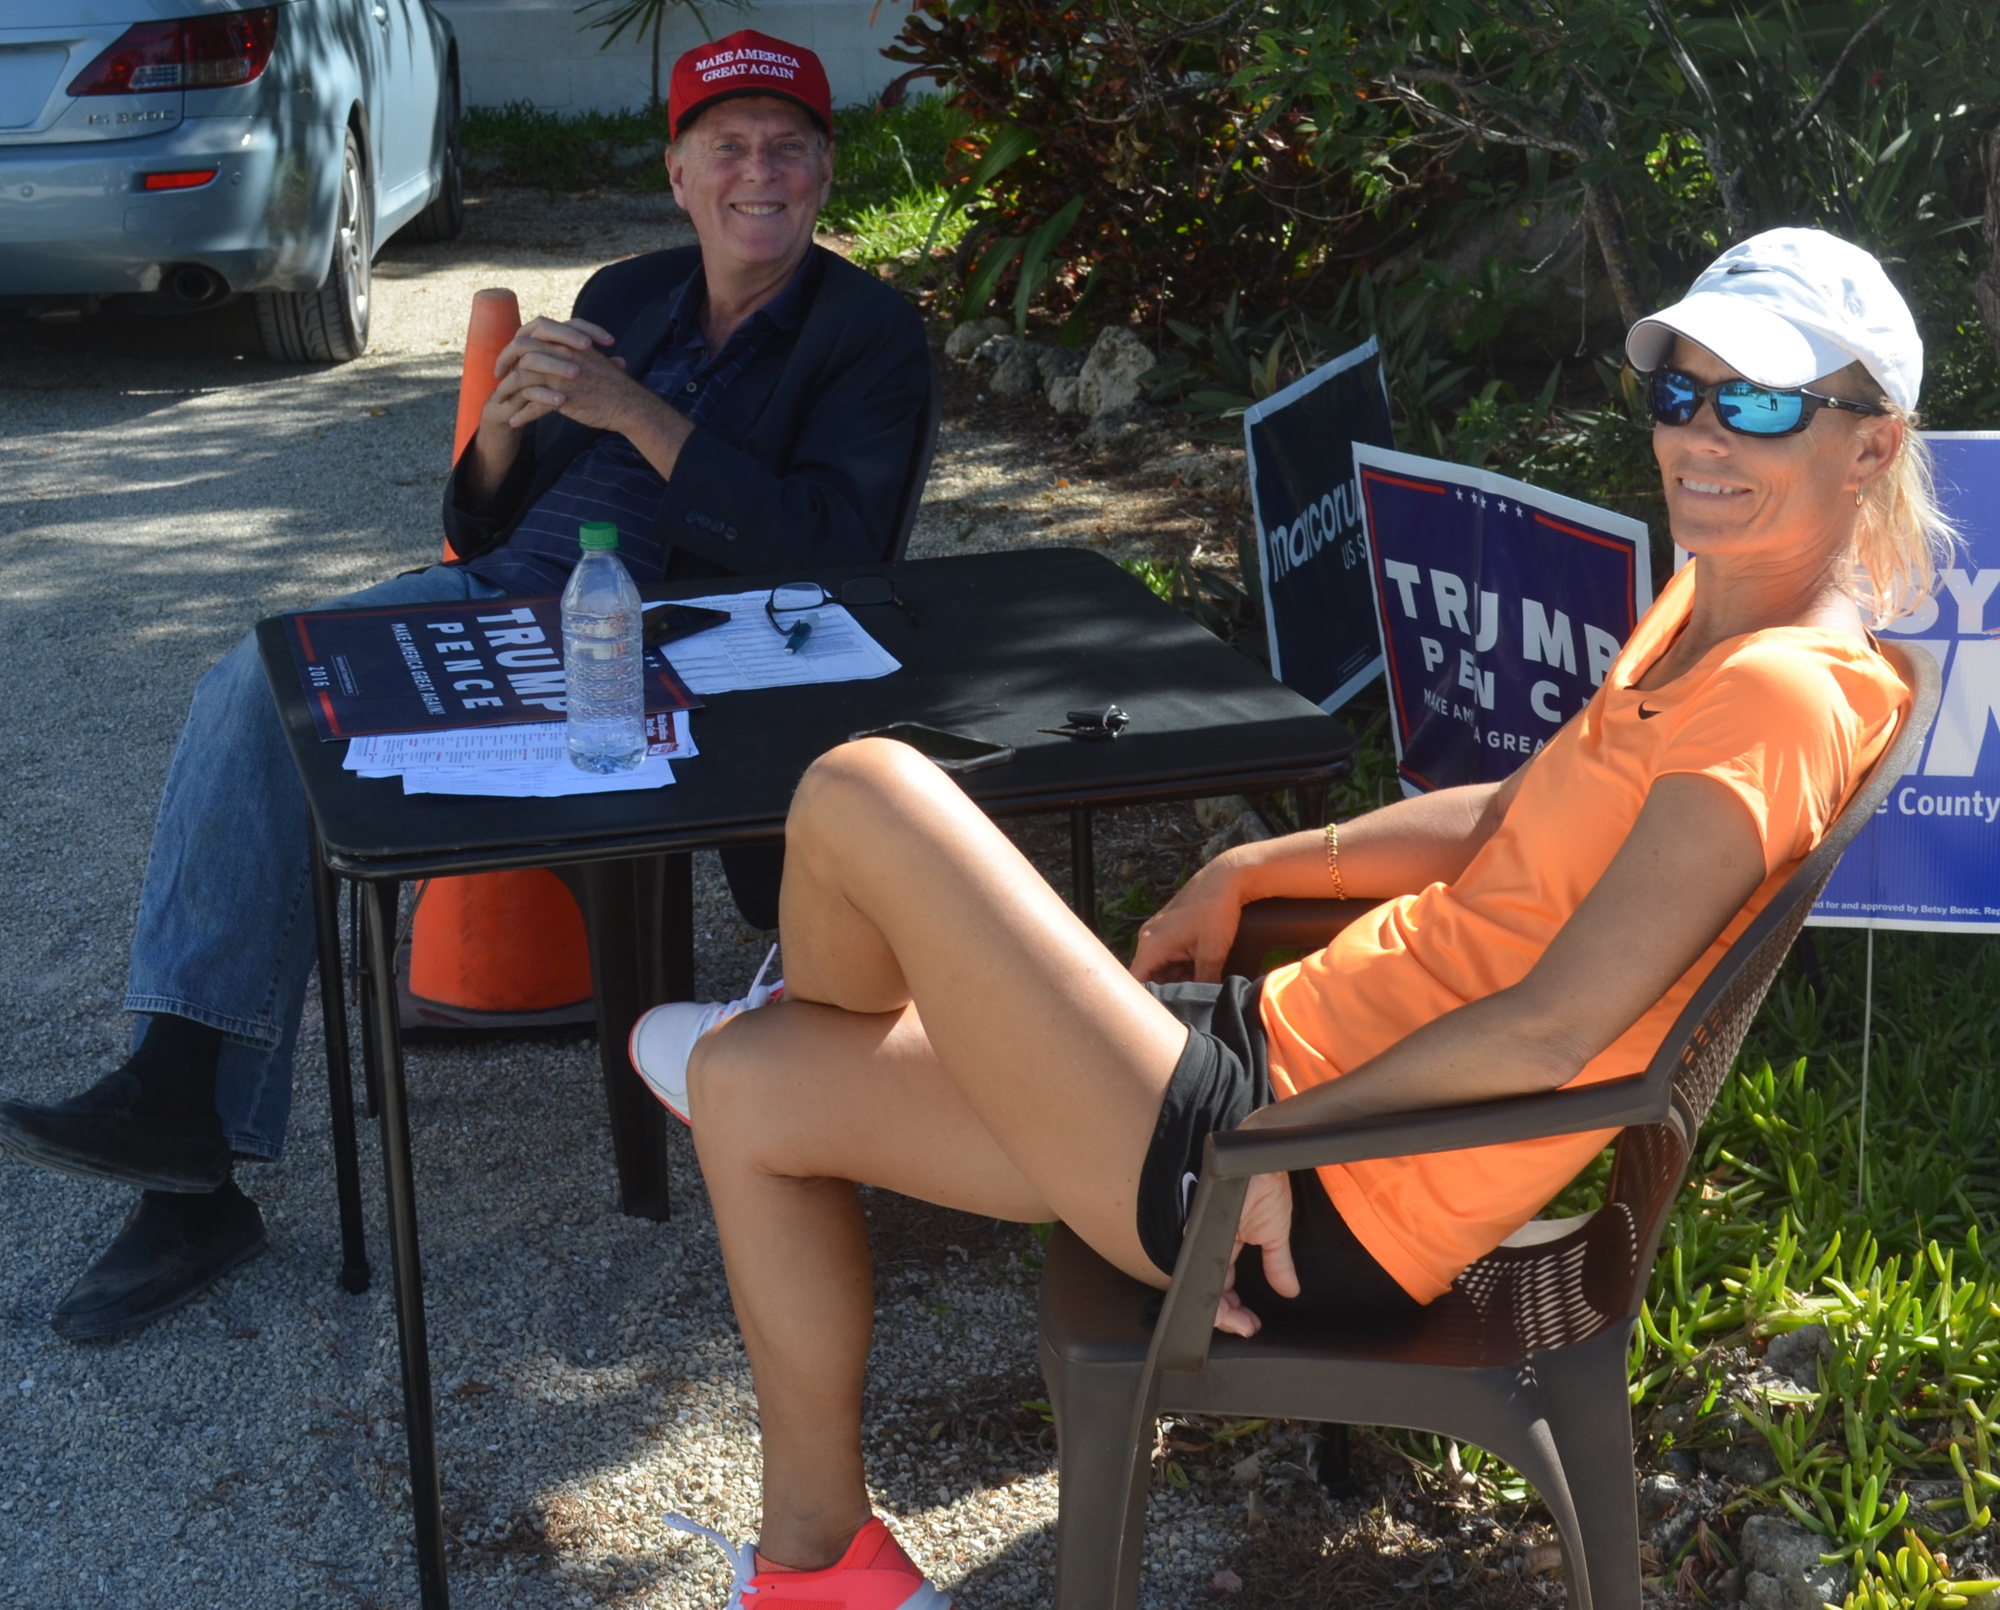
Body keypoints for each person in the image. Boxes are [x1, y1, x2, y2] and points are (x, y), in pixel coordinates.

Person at [622, 226, 1948, 1608]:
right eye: (1683, 393)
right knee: (748, 1088)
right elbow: (1514, 818)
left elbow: (1560, 1024)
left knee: (863, 790)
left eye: (1762, 403)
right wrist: (1264, 868)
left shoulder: (1781, 699)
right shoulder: (1705, 609)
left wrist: (1274, 1142)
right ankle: (824, 1569)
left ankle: (826, 1008)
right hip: (1277, 1066)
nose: (1702, 436)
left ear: (1868, 447)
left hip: (1323, 1184)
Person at [0, 29, 931, 1343]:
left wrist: (636, 416)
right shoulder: (633, 287)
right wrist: (503, 424)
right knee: (252, 683)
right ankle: (179, 1119)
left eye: (786, 147)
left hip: (675, 655)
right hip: (504, 605)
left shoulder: (868, 336)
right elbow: (486, 530)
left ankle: (183, 1149)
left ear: (826, 171)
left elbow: (833, 554)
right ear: (678, 171)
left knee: (299, 713)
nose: (757, 174)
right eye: (727, 147)